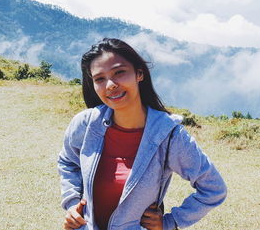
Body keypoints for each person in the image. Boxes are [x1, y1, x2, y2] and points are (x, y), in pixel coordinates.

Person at [57, 38, 227, 230]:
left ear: (139, 73)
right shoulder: (86, 123)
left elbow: (213, 189)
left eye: (119, 72)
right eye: (100, 79)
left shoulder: (169, 135)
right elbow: (68, 162)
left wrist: (170, 222)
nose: (110, 84)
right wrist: (72, 204)